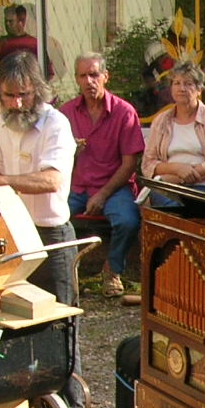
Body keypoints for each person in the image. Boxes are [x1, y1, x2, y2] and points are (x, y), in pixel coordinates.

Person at [0, 52, 83, 408]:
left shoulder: (55, 123)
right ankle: (30, 405)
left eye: (24, 95)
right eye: (9, 96)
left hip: (51, 234)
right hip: (14, 233)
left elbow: (52, 180)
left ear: (38, 91)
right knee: (17, 321)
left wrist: (2, 181)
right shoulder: (4, 124)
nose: (17, 103)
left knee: (61, 324)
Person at [59, 52, 144, 299]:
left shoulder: (124, 112)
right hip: (76, 186)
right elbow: (51, 159)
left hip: (114, 186)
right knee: (50, 217)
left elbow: (130, 163)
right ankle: (64, 275)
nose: (89, 81)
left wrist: (104, 194)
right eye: (83, 76)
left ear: (106, 77)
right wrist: (71, 152)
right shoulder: (65, 114)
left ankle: (113, 270)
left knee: (127, 221)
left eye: (94, 74)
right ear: (76, 79)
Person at [140, 63, 205, 206]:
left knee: (190, 211)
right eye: (176, 83)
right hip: (167, 186)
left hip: (203, 186)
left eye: (188, 84)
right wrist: (177, 169)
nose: (181, 88)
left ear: (199, 89)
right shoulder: (161, 121)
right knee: (171, 209)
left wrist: (186, 174)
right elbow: (148, 164)